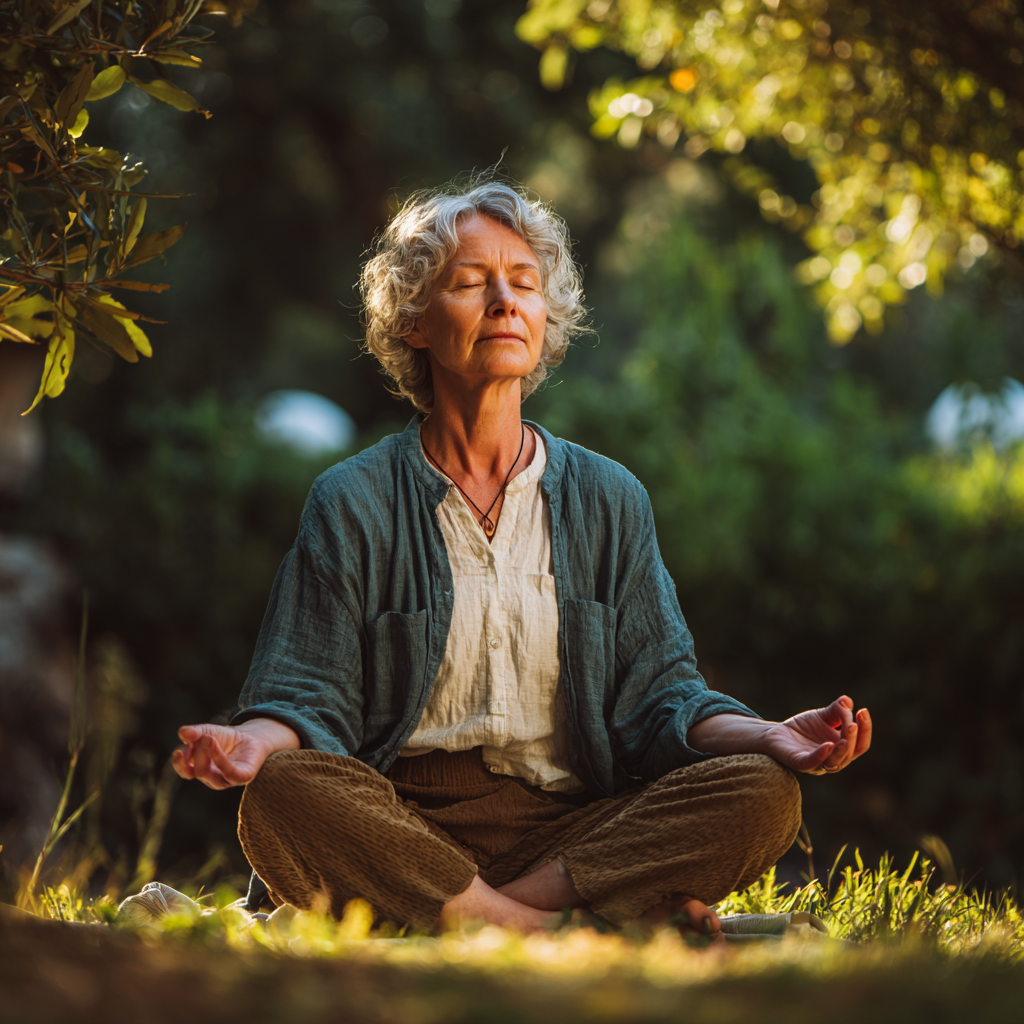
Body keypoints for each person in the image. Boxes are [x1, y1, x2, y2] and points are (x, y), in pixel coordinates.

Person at [172, 178, 871, 938]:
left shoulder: (611, 497)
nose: (505, 301)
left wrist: (767, 734)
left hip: (569, 841)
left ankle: (479, 919)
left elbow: (663, 703)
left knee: (766, 793)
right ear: (413, 324)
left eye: (524, 284)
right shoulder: (352, 499)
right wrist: (253, 743)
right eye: (472, 284)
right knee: (282, 791)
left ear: (545, 319)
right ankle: (563, 930)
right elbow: (304, 695)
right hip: (400, 830)